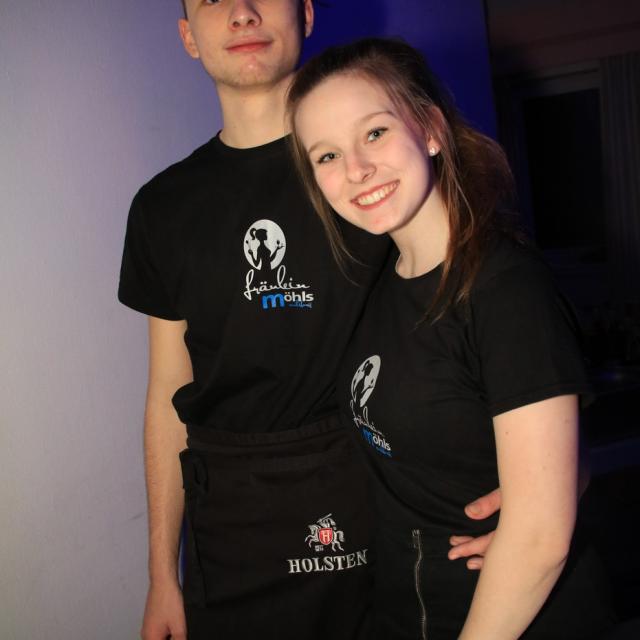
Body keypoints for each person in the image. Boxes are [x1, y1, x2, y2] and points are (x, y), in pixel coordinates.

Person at [118, 4, 500, 639]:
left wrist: (548, 480)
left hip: (376, 498)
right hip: (233, 525)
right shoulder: (162, 207)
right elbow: (167, 394)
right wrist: (162, 573)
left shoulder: (369, 175)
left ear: (306, 12)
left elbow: (487, 310)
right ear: (188, 36)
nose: (243, 13)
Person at [288, 37, 615, 639]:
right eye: (327, 155)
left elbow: (540, 540)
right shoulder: (374, 285)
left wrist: (542, 507)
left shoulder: (505, 287)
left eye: (375, 132)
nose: (356, 169)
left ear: (432, 130)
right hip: (409, 607)